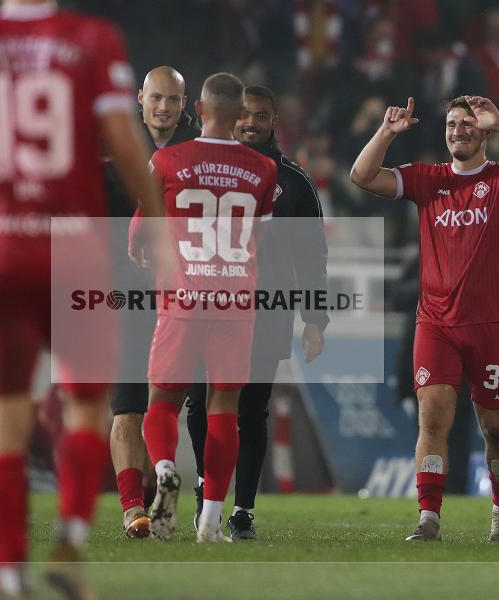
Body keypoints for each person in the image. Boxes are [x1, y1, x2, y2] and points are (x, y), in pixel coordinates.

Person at [0, 1, 161, 598]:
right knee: (84, 406)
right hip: (73, 249)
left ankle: (9, 580)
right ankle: (71, 547)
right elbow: (126, 149)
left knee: (2, 420)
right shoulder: (94, 40)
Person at [350, 95, 499, 542]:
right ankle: (429, 518)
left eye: (467, 124)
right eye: (451, 125)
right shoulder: (428, 180)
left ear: (482, 132)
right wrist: (387, 132)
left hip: (493, 325)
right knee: (433, 418)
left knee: (496, 425)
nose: (458, 131)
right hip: (436, 324)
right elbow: (362, 176)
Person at [184, 84, 327, 540]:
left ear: (273, 123)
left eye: (259, 116)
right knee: (198, 404)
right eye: (243, 115)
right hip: (205, 302)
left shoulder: (294, 182)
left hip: (266, 309)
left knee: (251, 411)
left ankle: (242, 508)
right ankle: (209, 487)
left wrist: (315, 319)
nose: (250, 123)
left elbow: (312, 256)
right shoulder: (201, 167)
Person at [140, 72, 277, 543]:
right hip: (235, 303)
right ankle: (211, 523)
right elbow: (259, 235)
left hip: (182, 299)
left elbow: (137, 237)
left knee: (163, 401)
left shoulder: (167, 159)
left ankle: (162, 469)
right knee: (225, 409)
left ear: (196, 108)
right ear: (241, 115)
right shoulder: (264, 169)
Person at [109, 65, 199, 540]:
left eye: (172, 100)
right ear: (140, 97)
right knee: (126, 406)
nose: (163, 107)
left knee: (163, 408)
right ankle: (132, 509)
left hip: (186, 300)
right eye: (156, 98)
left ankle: (160, 491)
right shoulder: (114, 147)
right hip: (123, 296)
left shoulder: (197, 154)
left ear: (183, 105)